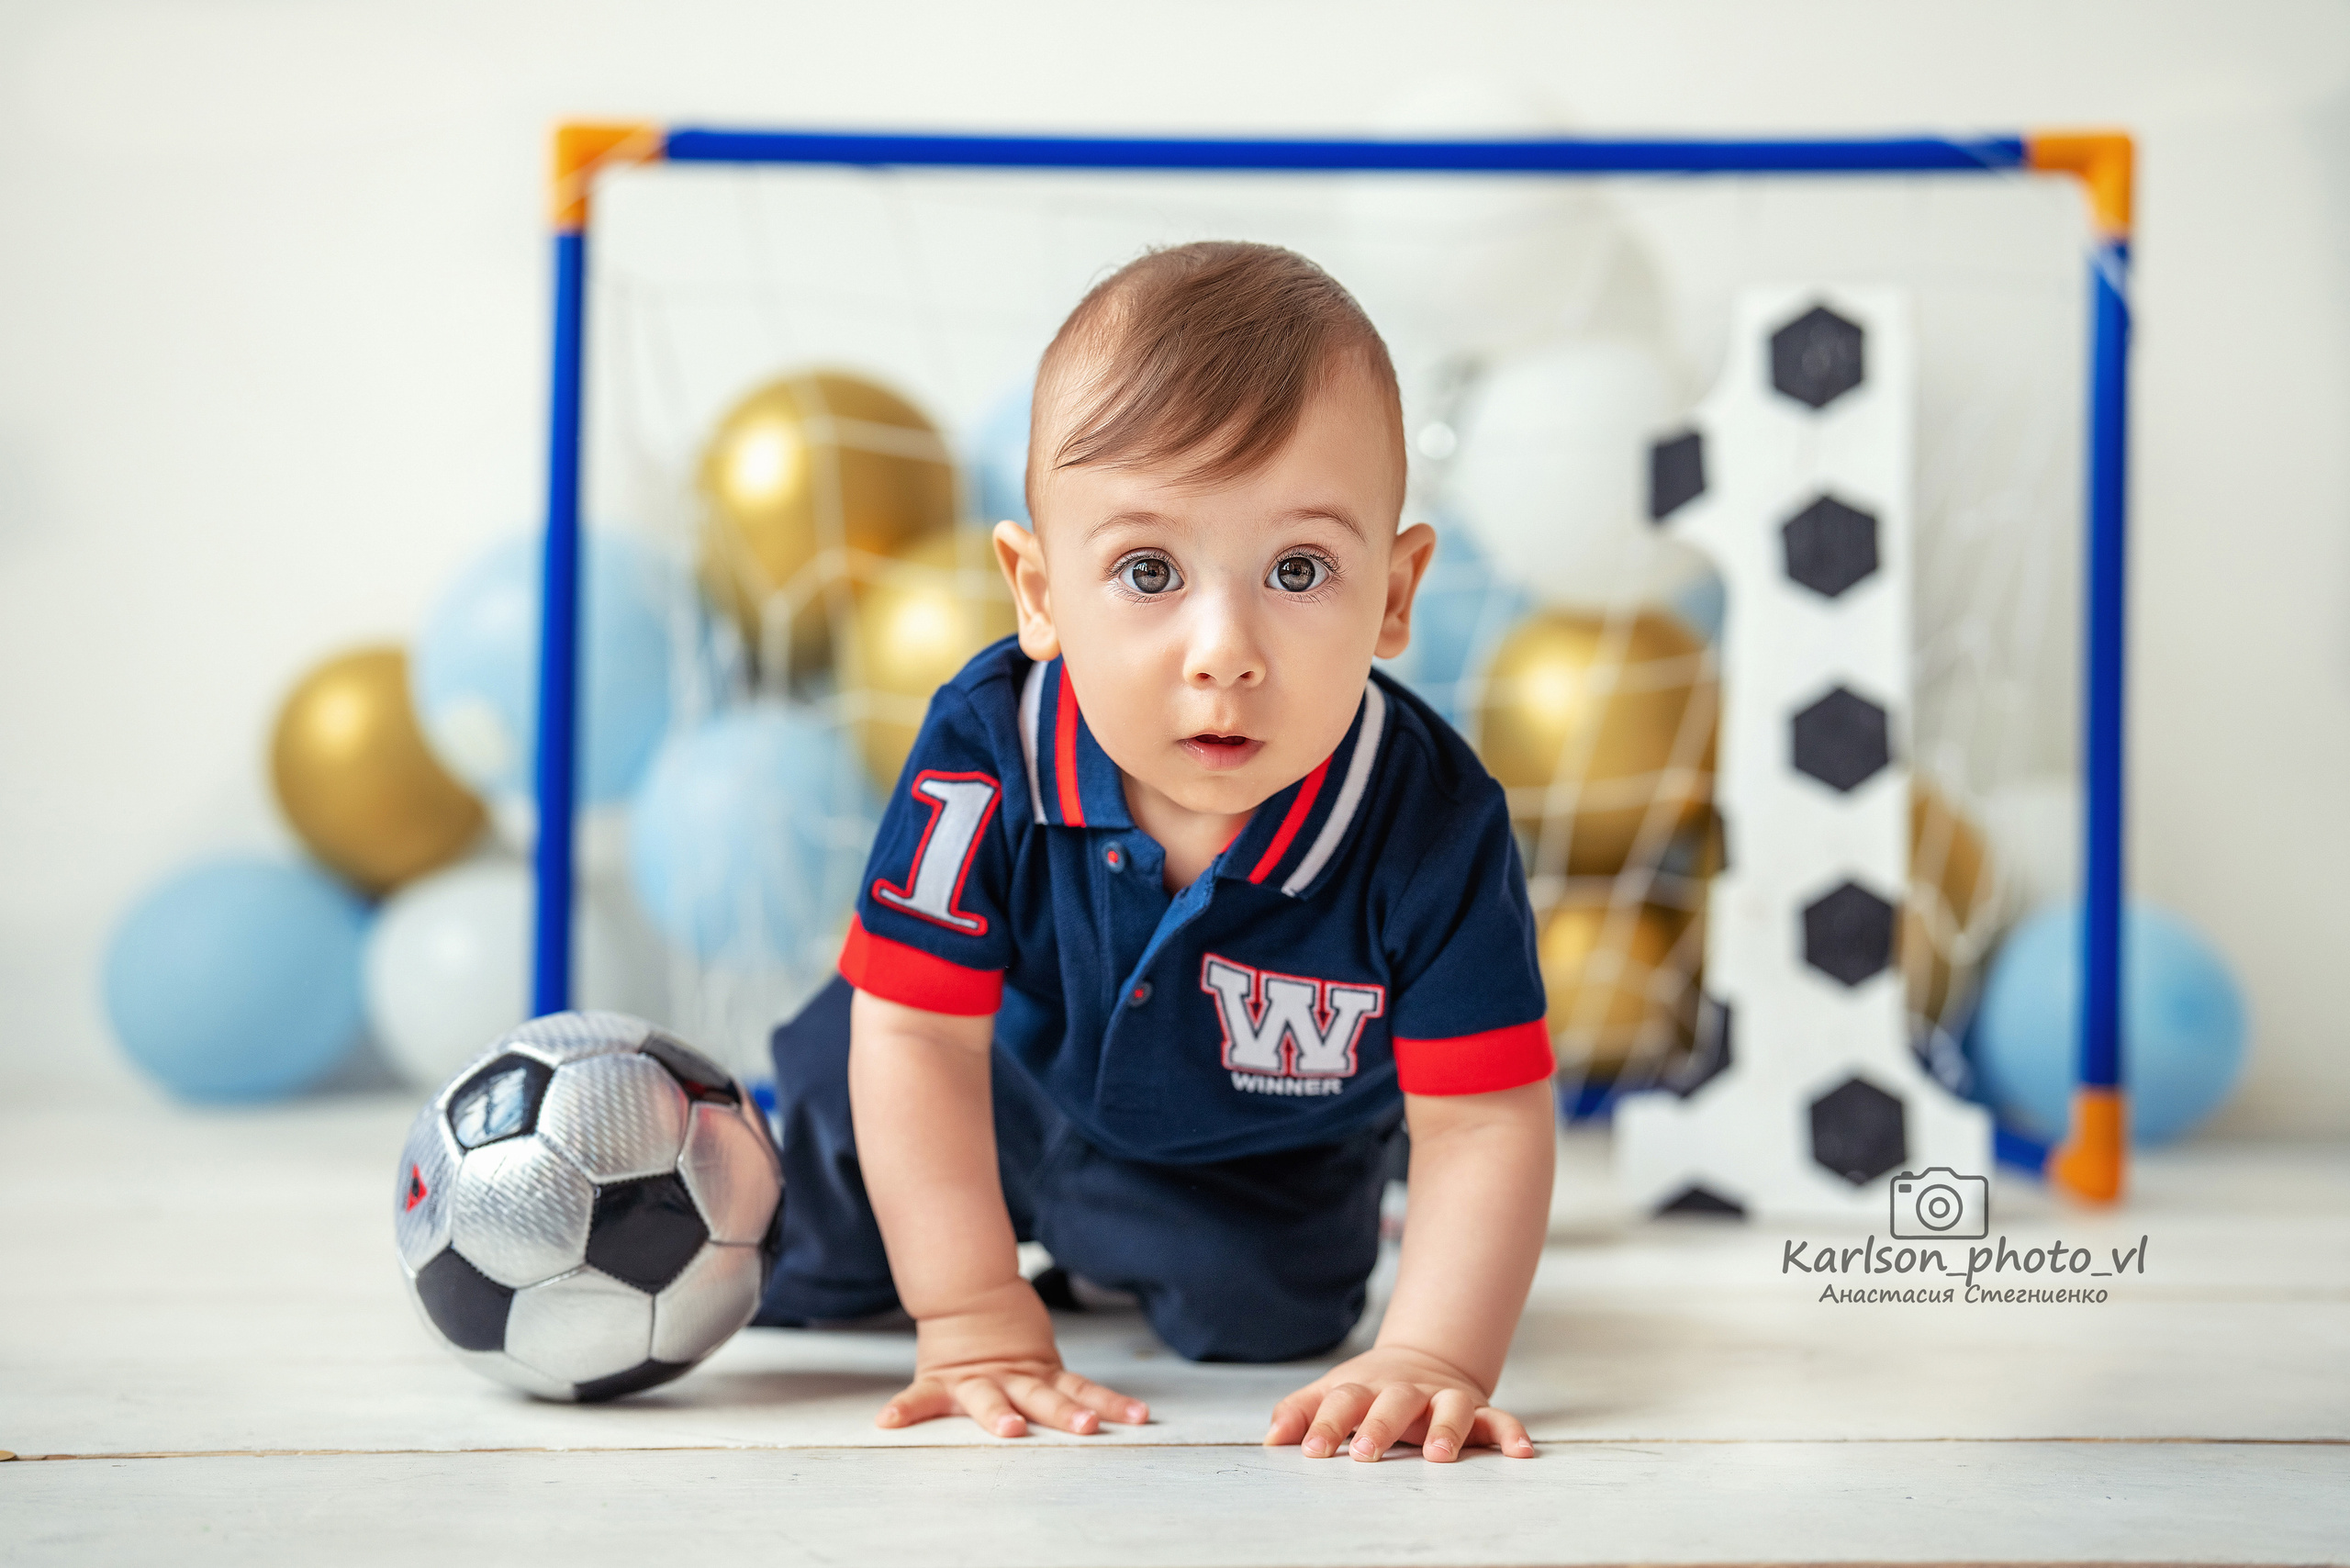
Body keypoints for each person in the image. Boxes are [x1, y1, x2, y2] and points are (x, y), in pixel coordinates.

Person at [759, 241, 1555, 1463]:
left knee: (1270, 1316)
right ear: (1038, 592)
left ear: (1396, 595)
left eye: (1299, 570)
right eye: (1147, 571)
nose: (1223, 649)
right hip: (989, 1076)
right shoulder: (988, 750)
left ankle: (1141, 1239)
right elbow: (916, 1034)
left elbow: (1486, 1120)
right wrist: (969, 1315)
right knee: (790, 1236)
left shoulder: (1431, 824)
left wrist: (1434, 1352)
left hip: (1245, 1143)